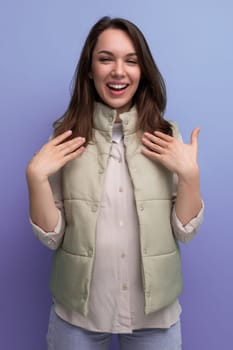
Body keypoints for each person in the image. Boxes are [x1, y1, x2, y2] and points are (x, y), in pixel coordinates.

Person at [26, 16, 203, 350]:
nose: (118, 71)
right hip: (78, 316)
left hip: (156, 318)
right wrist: (36, 179)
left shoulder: (168, 137)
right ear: (90, 70)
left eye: (131, 61)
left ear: (143, 72)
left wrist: (191, 178)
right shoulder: (65, 138)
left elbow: (185, 231)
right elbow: (53, 237)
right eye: (106, 58)